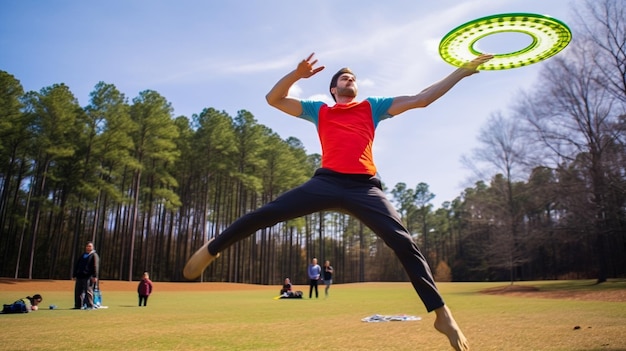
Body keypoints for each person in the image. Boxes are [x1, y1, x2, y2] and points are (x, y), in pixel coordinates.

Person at [184, 52, 492, 351]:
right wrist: (296, 75)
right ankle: (213, 249)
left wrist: (461, 71)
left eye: (353, 78)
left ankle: (442, 315)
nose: (350, 79)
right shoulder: (321, 110)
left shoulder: (373, 107)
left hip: (365, 188)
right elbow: (273, 99)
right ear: (334, 89)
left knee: (404, 243)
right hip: (326, 181)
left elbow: (422, 98)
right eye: (344, 77)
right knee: (267, 213)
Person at [73, 241, 100, 310]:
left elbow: (95, 266)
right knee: (78, 291)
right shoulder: (83, 255)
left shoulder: (94, 255)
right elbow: (77, 265)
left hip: (88, 276)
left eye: (90, 246)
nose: (88, 247)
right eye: (87, 246)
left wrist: (95, 276)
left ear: (92, 247)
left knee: (88, 291)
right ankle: (78, 305)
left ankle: (90, 305)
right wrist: (75, 274)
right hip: (80, 276)